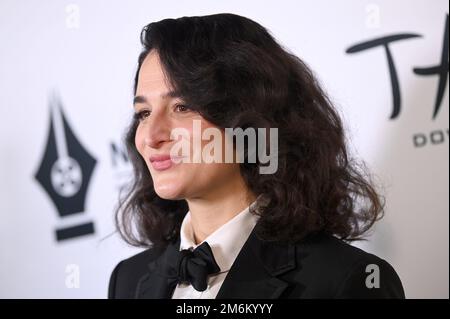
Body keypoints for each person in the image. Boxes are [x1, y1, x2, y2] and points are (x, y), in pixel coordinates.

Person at [108, 13, 405, 299]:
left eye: (182, 107)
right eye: (143, 113)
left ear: (252, 116)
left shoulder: (347, 281)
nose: (150, 136)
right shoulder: (128, 279)